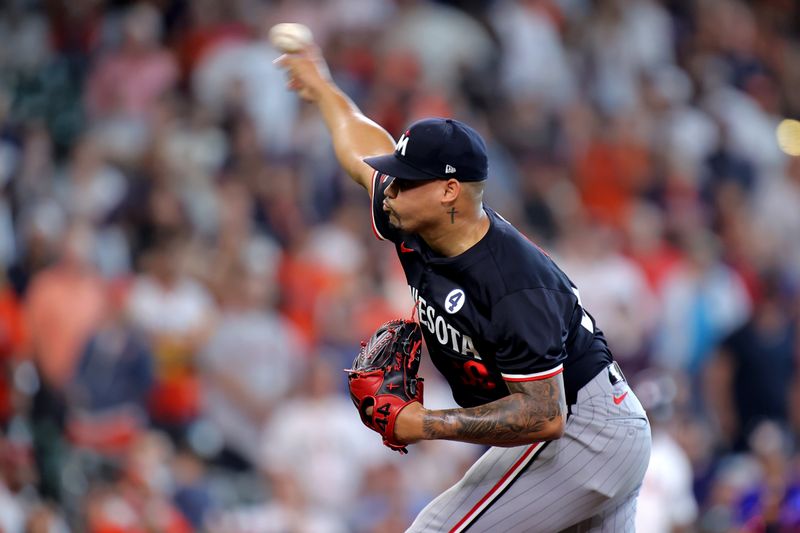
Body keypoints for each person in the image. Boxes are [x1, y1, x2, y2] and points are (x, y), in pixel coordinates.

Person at [276, 43, 652, 533]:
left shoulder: (514, 284)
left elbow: (544, 416)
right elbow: (358, 145)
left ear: (449, 191)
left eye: (405, 181)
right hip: (595, 428)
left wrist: (423, 423)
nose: (388, 189)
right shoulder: (412, 214)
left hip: (582, 430)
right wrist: (323, 88)